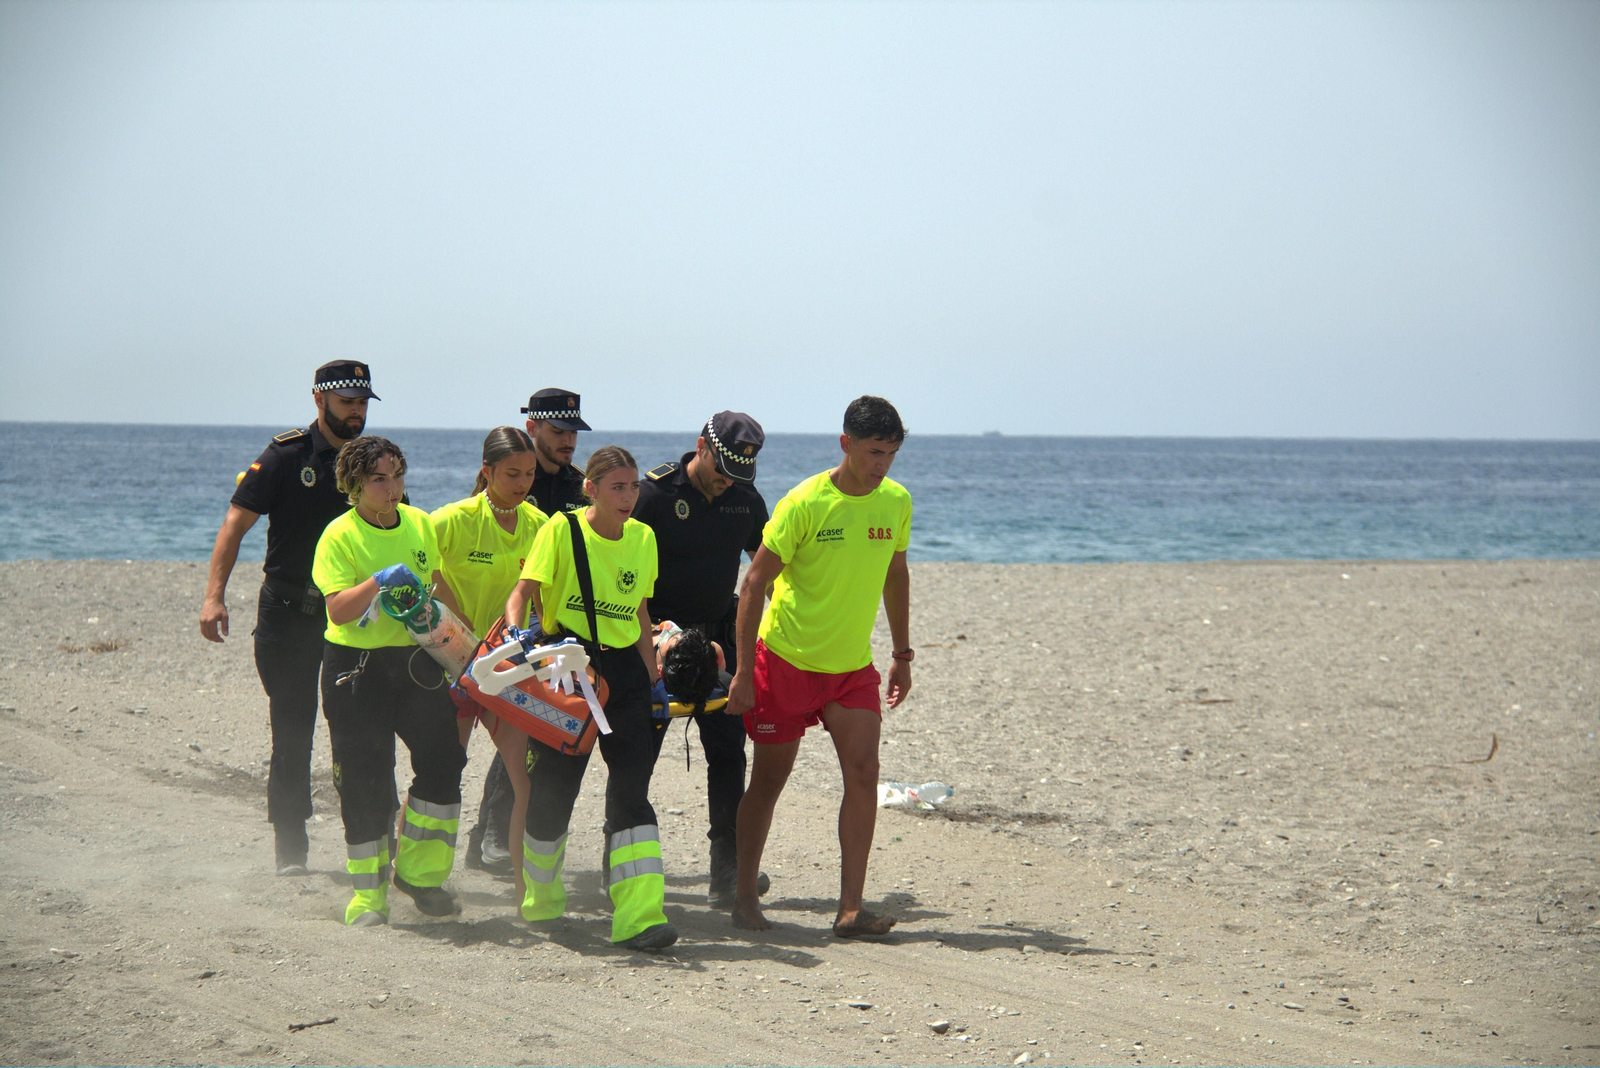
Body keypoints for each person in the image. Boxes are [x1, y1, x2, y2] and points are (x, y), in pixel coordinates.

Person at [726, 396, 914, 937]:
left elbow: (895, 576)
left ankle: (850, 909)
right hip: (785, 660)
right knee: (769, 781)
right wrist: (742, 671)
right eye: (875, 451)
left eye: (893, 454)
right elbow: (754, 583)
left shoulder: (896, 502)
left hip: (852, 667)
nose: (883, 464)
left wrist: (902, 655)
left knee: (864, 775)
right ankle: (743, 896)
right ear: (846, 444)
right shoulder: (805, 502)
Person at [199, 360, 379, 876]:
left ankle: (369, 839)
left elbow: (400, 529)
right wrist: (215, 597)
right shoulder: (286, 456)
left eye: (363, 403)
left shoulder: (374, 461)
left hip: (352, 620)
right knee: (293, 730)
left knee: (360, 731)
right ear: (319, 399)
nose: (356, 413)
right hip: (289, 617)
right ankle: (290, 846)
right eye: (348, 402)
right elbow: (235, 525)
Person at [503, 446, 677, 952]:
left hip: (625, 675)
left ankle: (639, 916)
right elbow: (521, 593)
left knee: (631, 793)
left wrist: (653, 681)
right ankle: (541, 899)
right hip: (568, 671)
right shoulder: (562, 530)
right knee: (553, 794)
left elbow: (641, 614)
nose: (628, 497)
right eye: (617, 487)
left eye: (633, 487)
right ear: (591, 489)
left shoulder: (644, 537)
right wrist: (518, 638)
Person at [312, 435, 470, 926]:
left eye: (397, 475)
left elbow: (438, 585)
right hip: (354, 667)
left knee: (444, 762)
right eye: (379, 479)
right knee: (365, 779)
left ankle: (420, 875)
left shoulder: (420, 523)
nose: (392, 487)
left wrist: (467, 645)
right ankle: (368, 896)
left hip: (417, 662)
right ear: (353, 484)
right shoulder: (339, 535)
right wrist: (379, 579)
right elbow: (337, 607)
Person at [633, 412, 770, 907]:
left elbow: (767, 571)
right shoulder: (654, 495)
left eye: (738, 472)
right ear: (701, 447)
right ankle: (622, 864)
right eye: (721, 468)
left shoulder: (745, 500)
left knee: (729, 752)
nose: (726, 480)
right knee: (637, 753)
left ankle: (728, 874)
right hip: (655, 645)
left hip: (718, 645)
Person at [466, 387, 592, 870]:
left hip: (552, 628)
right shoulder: (504, 477)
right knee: (511, 734)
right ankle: (489, 835)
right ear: (533, 428)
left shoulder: (582, 488)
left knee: (532, 730)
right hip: (493, 628)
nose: (568, 442)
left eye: (574, 434)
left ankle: (493, 836)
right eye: (559, 432)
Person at [430, 427, 550, 899]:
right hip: (453, 665)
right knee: (442, 770)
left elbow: (546, 598)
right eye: (511, 474)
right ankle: (421, 876)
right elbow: (418, 569)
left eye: (530, 473)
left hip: (509, 670)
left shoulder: (541, 525)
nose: (522, 483)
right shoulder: (450, 520)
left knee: (525, 780)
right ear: (486, 472)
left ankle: (530, 890)